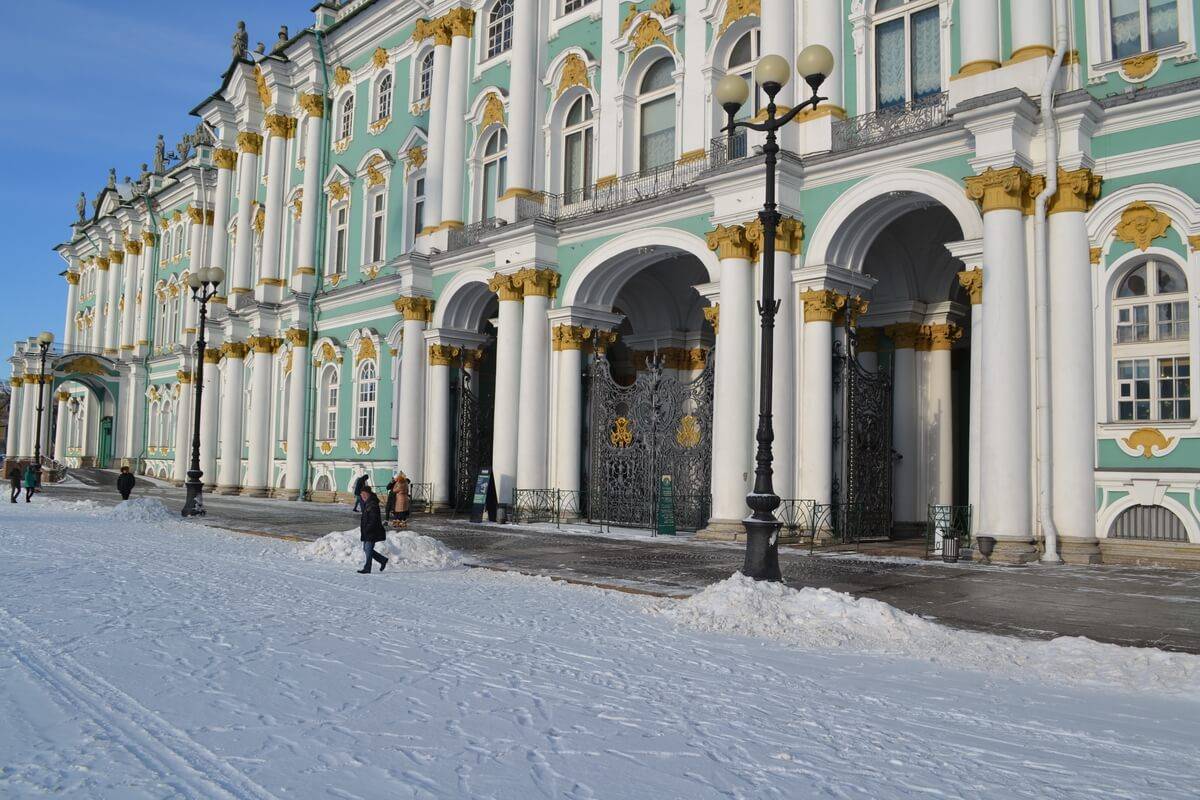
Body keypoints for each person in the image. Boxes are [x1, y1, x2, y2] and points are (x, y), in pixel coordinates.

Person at [357, 488, 389, 574]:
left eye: (364, 494)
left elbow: (374, 519)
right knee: (366, 549)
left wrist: (367, 528)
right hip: (368, 530)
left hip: (372, 530)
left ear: (368, 494)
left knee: (368, 549)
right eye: (361, 494)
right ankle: (382, 560)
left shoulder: (372, 504)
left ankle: (367, 568)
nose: (362, 496)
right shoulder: (368, 502)